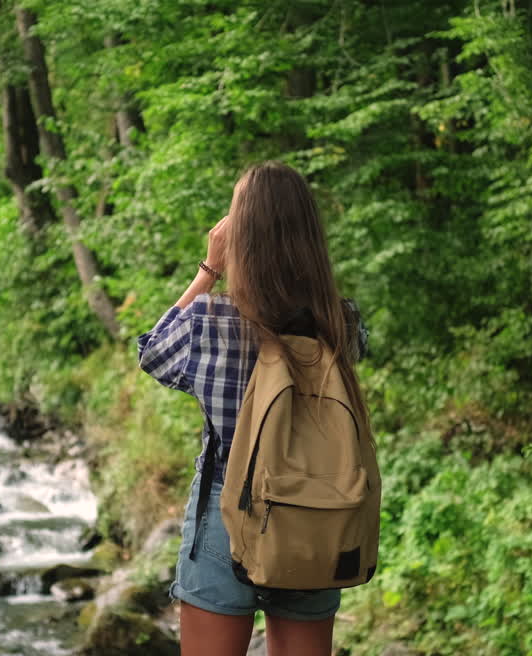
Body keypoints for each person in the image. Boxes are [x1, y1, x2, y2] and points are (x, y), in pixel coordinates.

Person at [137, 161, 368, 656]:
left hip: (228, 508)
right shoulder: (342, 323)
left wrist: (209, 268)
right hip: (317, 509)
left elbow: (153, 353)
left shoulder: (211, 320)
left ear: (239, 235)